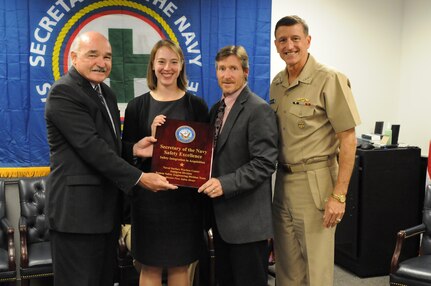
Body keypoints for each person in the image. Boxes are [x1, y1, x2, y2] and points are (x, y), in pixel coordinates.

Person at [44, 31, 177, 286]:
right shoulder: (64, 92)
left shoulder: (105, 93)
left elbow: (109, 144)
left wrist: (134, 149)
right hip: (76, 216)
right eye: (92, 55)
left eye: (107, 57)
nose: (101, 62)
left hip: (104, 213)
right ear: (73, 57)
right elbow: (91, 148)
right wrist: (139, 177)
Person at [270, 15, 361, 286]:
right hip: (282, 181)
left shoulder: (329, 78)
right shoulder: (277, 82)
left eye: (295, 39)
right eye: (283, 40)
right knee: (286, 269)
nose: (290, 46)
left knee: (316, 269)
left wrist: (339, 196)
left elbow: (348, 138)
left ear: (307, 41)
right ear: (276, 45)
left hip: (316, 181)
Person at [122, 39, 209, 286]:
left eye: (173, 61)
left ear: (181, 66)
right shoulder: (136, 106)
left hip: (184, 202)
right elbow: (126, 153)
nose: (167, 68)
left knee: (180, 268)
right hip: (148, 201)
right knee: (149, 267)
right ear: (152, 65)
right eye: (161, 61)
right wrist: (145, 148)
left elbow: (204, 157)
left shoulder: (197, 106)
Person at [197, 45, 278, 286]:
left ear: (246, 72)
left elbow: (264, 163)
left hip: (248, 223)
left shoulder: (258, 109)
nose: (226, 75)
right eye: (221, 68)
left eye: (233, 68)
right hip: (222, 220)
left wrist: (225, 183)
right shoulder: (216, 109)